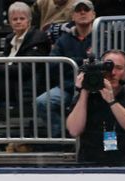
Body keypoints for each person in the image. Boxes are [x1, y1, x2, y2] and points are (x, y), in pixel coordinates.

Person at [0, 2, 51, 139]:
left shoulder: (38, 37)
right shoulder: (10, 39)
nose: (18, 22)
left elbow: (26, 69)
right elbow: (4, 60)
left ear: (29, 20)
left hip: (24, 84)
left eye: (22, 18)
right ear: (10, 22)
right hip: (8, 81)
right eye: (14, 19)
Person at [65, 49, 125, 165]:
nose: (112, 72)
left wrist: (111, 101)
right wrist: (84, 91)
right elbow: (74, 130)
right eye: (107, 67)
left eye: (118, 68)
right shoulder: (85, 99)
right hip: (88, 165)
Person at [36, 0, 95, 138]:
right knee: (42, 102)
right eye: (78, 10)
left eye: (86, 10)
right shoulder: (63, 40)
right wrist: (82, 61)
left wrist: (70, 62)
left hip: (96, 88)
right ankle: (62, 137)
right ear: (72, 16)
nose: (82, 12)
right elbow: (52, 64)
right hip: (68, 87)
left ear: (93, 14)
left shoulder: (102, 36)